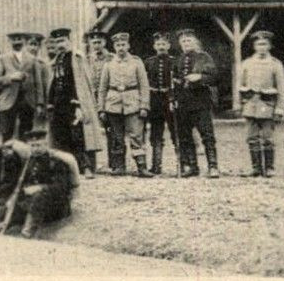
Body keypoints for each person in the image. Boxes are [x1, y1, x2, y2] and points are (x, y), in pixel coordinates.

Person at [46, 28, 103, 176]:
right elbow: (53, 82)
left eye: (63, 41)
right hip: (59, 103)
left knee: (78, 136)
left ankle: (86, 167)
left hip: (74, 103)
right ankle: (67, 168)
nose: (60, 44)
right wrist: (50, 102)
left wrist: (78, 104)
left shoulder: (77, 58)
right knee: (61, 136)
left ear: (69, 41)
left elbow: (82, 84)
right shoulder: (56, 60)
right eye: (57, 41)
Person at [94, 30, 151, 176]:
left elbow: (144, 86)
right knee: (116, 137)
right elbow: (102, 89)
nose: (120, 47)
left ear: (128, 45)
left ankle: (142, 167)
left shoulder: (137, 63)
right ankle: (119, 166)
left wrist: (144, 105)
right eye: (118, 45)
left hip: (133, 104)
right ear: (114, 47)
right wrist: (101, 108)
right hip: (113, 105)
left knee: (136, 136)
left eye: (123, 44)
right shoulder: (108, 65)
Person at [237, 30, 284, 177]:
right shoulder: (246, 63)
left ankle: (270, 167)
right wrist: (241, 103)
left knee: (267, 138)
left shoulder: (275, 64)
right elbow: (240, 84)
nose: (261, 47)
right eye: (258, 44)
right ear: (254, 46)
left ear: (270, 46)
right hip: (250, 105)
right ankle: (256, 168)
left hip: (268, 104)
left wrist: (280, 108)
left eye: (264, 44)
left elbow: (282, 88)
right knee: (252, 138)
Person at [172, 28, 221, 178]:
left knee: (207, 135)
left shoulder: (204, 57)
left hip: (200, 102)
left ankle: (213, 166)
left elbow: (214, 77)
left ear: (195, 42)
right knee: (185, 136)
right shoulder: (178, 60)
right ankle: (192, 167)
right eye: (183, 41)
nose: (186, 43)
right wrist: (174, 96)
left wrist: (199, 77)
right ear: (180, 44)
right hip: (183, 103)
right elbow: (173, 80)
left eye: (189, 40)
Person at [0, 31, 45, 140]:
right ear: (9, 41)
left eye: (19, 39)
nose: (17, 42)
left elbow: (38, 82)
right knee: (6, 133)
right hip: (8, 100)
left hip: (27, 101)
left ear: (24, 41)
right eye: (14, 39)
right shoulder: (3, 58)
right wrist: (10, 78)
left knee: (26, 133)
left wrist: (40, 103)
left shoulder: (32, 59)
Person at [142, 32, 180, 176]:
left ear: (169, 46)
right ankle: (156, 166)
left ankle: (181, 165)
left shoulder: (175, 61)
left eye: (164, 44)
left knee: (175, 132)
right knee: (156, 134)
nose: (161, 47)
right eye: (158, 44)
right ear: (154, 46)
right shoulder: (148, 62)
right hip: (155, 101)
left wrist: (174, 98)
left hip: (170, 100)